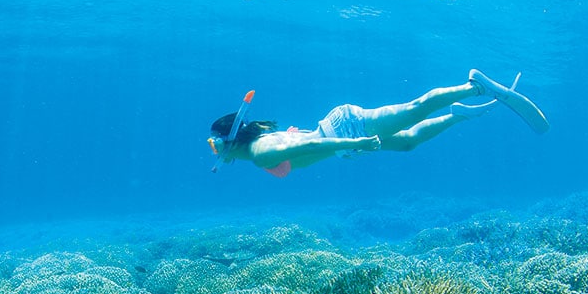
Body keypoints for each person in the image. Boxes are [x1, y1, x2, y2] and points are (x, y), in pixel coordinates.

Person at [207, 69, 549, 178]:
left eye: (216, 143)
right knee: (407, 142)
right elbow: (303, 143)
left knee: (414, 108)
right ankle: (458, 113)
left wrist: (352, 144)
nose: (216, 151)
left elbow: (310, 146)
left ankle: (476, 85)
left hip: (345, 131)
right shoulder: (255, 147)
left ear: (230, 138)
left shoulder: (259, 152)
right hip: (341, 141)